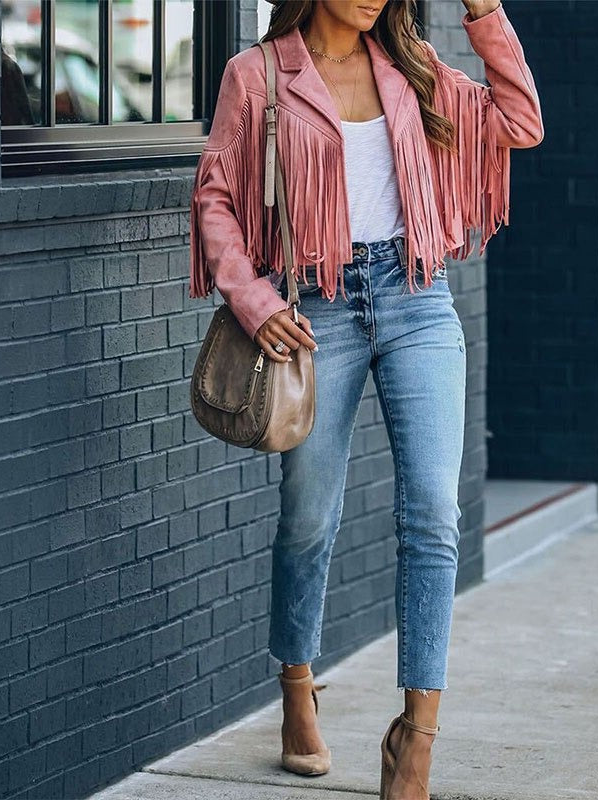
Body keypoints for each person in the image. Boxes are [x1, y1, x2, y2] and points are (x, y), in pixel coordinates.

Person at [189, 1, 543, 797]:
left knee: (432, 513)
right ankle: (296, 682)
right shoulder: (258, 77)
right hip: (317, 309)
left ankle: (415, 734)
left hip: (417, 296)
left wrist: (484, 12)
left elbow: (520, 121)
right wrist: (254, 298)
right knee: (309, 517)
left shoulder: (417, 70)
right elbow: (214, 194)